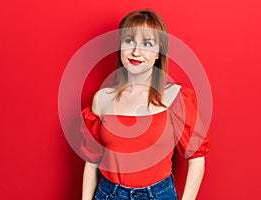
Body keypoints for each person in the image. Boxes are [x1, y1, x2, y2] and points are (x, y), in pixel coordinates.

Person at [80, 9, 210, 200]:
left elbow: (197, 159)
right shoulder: (102, 99)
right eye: (129, 41)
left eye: (147, 44)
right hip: (109, 195)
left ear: (159, 53)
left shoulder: (176, 97)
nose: (136, 52)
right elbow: (91, 163)